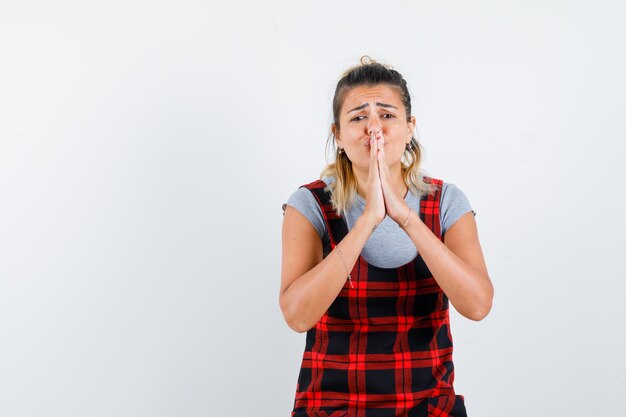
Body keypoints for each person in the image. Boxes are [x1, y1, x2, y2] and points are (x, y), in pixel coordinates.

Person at [279, 56, 493, 417]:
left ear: (410, 128)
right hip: (333, 409)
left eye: (387, 115)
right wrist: (367, 220)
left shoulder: (446, 202)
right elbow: (298, 316)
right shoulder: (309, 204)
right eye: (359, 117)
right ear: (339, 135)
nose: (373, 129)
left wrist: (405, 216)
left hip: (429, 408)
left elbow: (478, 306)